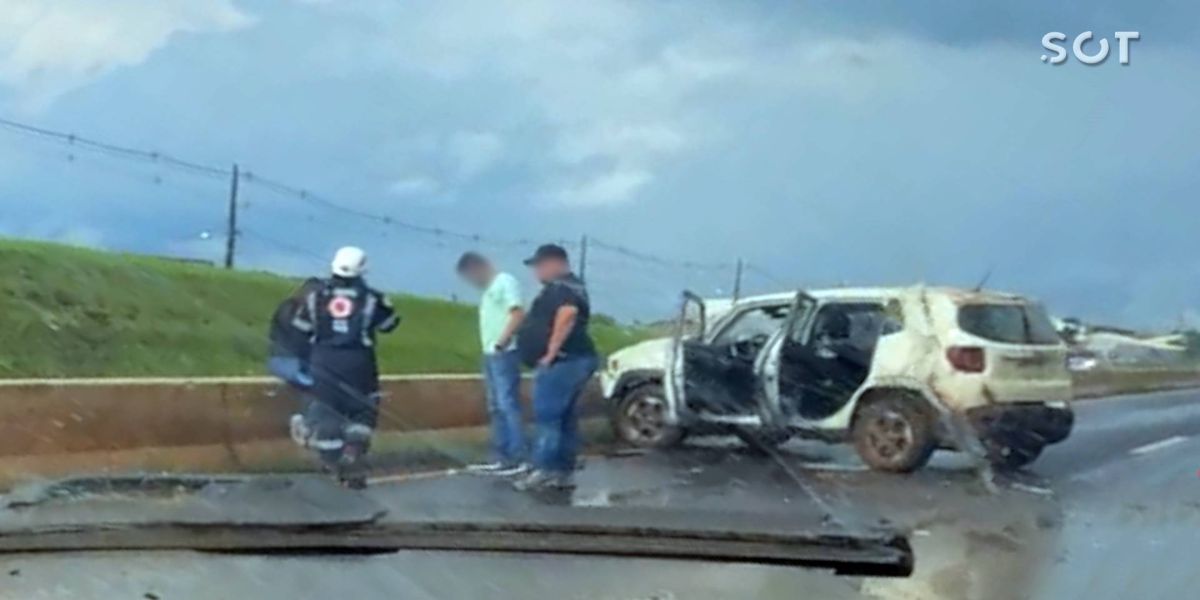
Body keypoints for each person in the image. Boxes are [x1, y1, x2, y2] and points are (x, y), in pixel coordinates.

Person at [292, 246, 399, 489]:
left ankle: (330, 465)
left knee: (325, 413)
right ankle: (353, 453)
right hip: (358, 363)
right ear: (362, 270)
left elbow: (301, 327)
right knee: (362, 411)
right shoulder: (373, 298)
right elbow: (389, 324)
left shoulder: (314, 296)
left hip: (323, 361)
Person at [513, 243, 598, 491]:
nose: (536, 272)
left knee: (548, 417)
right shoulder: (569, 286)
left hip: (564, 361)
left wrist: (550, 353)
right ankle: (562, 470)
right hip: (574, 359)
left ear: (555, 263)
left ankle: (545, 469)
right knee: (564, 418)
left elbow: (568, 314)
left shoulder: (563, 287)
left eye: (539, 266)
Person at [456, 251, 528, 476]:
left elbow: (517, 313)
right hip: (490, 353)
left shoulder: (505, 282)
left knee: (507, 405)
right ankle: (501, 456)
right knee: (495, 406)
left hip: (503, 352)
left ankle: (518, 457)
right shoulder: (488, 290)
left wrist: (502, 342)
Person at [267, 277, 322, 446]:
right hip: (285, 361)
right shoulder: (293, 309)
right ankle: (302, 421)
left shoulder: (294, 308)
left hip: (289, 361)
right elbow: (297, 341)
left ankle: (310, 422)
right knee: (313, 383)